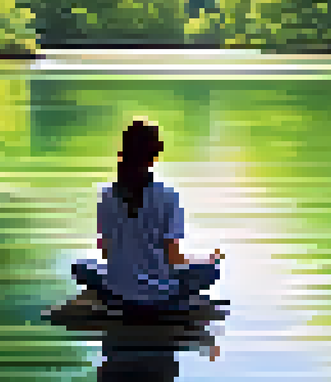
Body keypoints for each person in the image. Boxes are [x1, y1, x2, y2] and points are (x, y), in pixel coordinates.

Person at [72, 118, 222, 315]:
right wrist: (205, 261)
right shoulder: (168, 196)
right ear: (154, 156)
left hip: (117, 292)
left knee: (81, 267)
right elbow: (173, 259)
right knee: (212, 269)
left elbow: (106, 254)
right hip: (160, 296)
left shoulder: (107, 195)